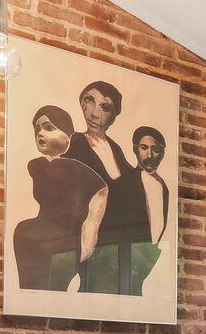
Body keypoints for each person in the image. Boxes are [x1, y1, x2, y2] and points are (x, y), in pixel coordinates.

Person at [64, 80, 153, 295]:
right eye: (89, 101)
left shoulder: (115, 148)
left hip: (120, 244)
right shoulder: (74, 144)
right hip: (93, 240)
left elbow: (129, 184)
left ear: (113, 117)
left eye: (104, 107)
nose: (94, 113)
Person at [11, 106, 106, 292]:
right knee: (24, 232)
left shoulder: (76, 167)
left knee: (54, 284)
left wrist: (91, 230)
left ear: (68, 138)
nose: (40, 133)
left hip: (66, 237)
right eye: (37, 130)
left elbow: (101, 190)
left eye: (49, 127)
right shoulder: (36, 166)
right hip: (38, 232)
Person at [133, 125, 171, 248]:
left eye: (154, 149)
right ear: (135, 150)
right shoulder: (126, 182)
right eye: (144, 148)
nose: (149, 155)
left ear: (162, 153)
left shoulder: (163, 186)